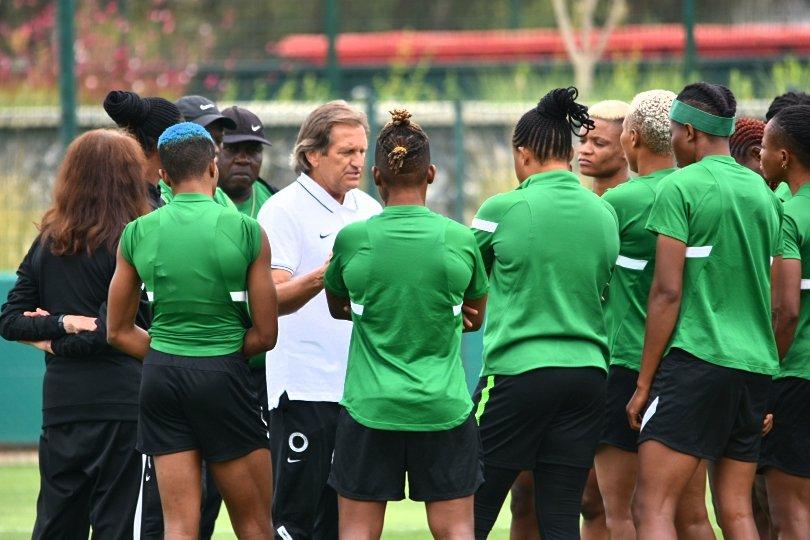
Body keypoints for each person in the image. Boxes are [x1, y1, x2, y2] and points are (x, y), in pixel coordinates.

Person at [106, 122, 278, 539]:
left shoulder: (136, 232)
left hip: (161, 378)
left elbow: (117, 331)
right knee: (255, 524)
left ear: (163, 175)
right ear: (213, 167)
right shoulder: (245, 229)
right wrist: (219, 356)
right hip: (224, 376)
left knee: (178, 527)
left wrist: (171, 352)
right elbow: (266, 333)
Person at [323, 108, 488, 539]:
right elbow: (476, 315)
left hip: (370, 407)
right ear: (430, 173)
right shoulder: (460, 239)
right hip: (444, 408)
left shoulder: (353, 239)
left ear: (376, 175)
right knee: (456, 532)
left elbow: (336, 302)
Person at [627, 82, 782, 539]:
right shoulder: (762, 194)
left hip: (696, 361)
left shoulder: (680, 187)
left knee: (651, 506)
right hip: (753, 369)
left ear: (690, 133)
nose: (671, 141)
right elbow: (776, 298)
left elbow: (666, 293)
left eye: (674, 131)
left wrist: (642, 383)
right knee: (736, 511)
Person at [472, 87, 619, 540]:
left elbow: (462, 281)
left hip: (522, 373)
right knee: (559, 514)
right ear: (570, 152)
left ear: (523, 153)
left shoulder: (501, 208)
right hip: (589, 376)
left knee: (472, 504)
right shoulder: (604, 213)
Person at [0, 129, 152, 538]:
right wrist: (69, 324)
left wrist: (52, 333)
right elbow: (112, 332)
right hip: (121, 406)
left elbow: (13, 321)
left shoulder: (49, 242)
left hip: (65, 406)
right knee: (118, 526)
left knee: (56, 526)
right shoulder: (136, 239)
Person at [256, 100, 382, 539]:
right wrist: (326, 275)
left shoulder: (370, 211)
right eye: (346, 152)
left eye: (362, 151)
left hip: (361, 392)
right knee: (296, 523)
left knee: (347, 523)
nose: (358, 162)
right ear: (312, 154)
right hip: (304, 391)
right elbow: (270, 299)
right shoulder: (282, 210)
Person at [595, 89, 714, 540]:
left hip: (626, 361)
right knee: (692, 515)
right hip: (686, 363)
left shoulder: (618, 203)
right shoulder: (698, 194)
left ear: (634, 138)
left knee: (623, 512)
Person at [759, 104, 810, 539]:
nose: (759, 157)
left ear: (784, 158)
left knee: (790, 514)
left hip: (798, 374)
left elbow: (787, 310)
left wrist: (767, 380)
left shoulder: (789, 216)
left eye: (763, 148)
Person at [103, 89, 182, 209]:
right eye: (180, 139)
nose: (185, 147)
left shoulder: (116, 194)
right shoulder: (141, 207)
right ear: (163, 144)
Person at [220, 105, 277, 219]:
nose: (243, 160)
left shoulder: (275, 202)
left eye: (253, 150)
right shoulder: (193, 201)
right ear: (214, 150)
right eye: (231, 149)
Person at [578, 99, 631, 196]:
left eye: (599, 143)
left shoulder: (641, 204)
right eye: (582, 141)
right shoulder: (578, 202)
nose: (584, 150)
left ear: (627, 148)